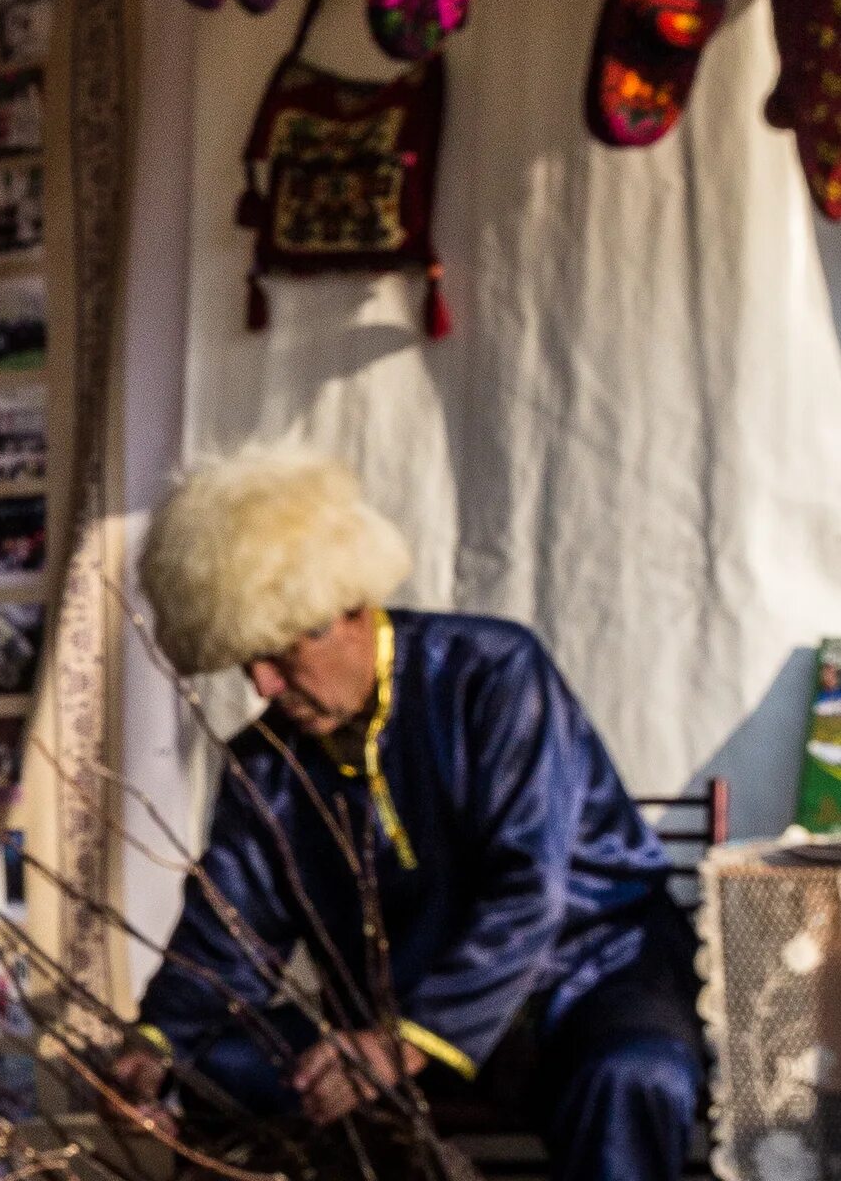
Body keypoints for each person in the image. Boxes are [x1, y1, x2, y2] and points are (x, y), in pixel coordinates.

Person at [110, 440, 701, 1181]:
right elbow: (230, 927)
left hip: (591, 976)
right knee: (210, 1065)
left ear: (347, 609)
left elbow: (532, 889)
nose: (260, 685)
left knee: (636, 1076)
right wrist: (155, 1042)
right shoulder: (268, 762)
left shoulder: (493, 675)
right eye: (243, 662)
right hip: (401, 1019)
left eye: (278, 653)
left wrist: (404, 1044)